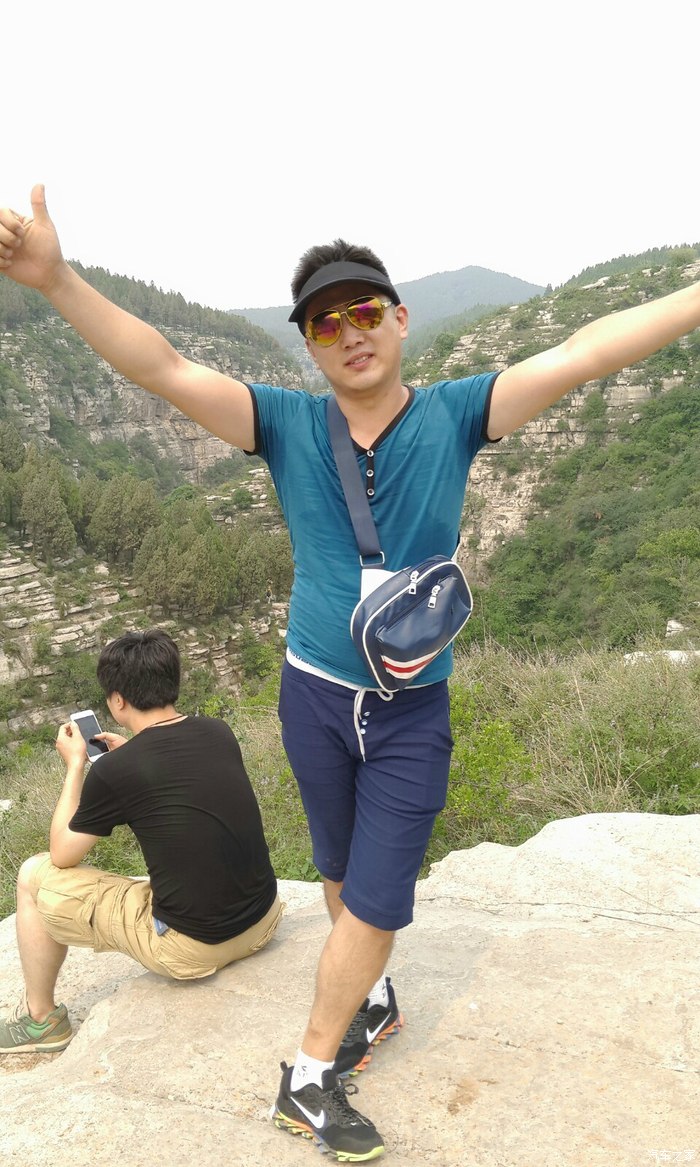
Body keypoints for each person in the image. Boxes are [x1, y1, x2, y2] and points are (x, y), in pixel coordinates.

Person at [1, 187, 698, 1161]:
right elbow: (163, 366)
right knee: (335, 873)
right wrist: (57, 280)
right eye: (325, 323)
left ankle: (308, 1075)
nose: (350, 333)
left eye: (365, 311)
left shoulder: (457, 414)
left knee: (373, 898)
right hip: (314, 696)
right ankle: (371, 998)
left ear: (399, 319)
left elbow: (584, 352)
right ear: (309, 346)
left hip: (410, 706)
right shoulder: (286, 425)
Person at [0, 628, 280, 1056]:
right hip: (262, 921)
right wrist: (129, 754)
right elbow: (174, 771)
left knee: (32, 875)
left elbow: (62, 853)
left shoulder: (116, 771)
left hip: (193, 948)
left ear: (117, 701)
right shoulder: (218, 731)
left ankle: (41, 1020)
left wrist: (76, 767)